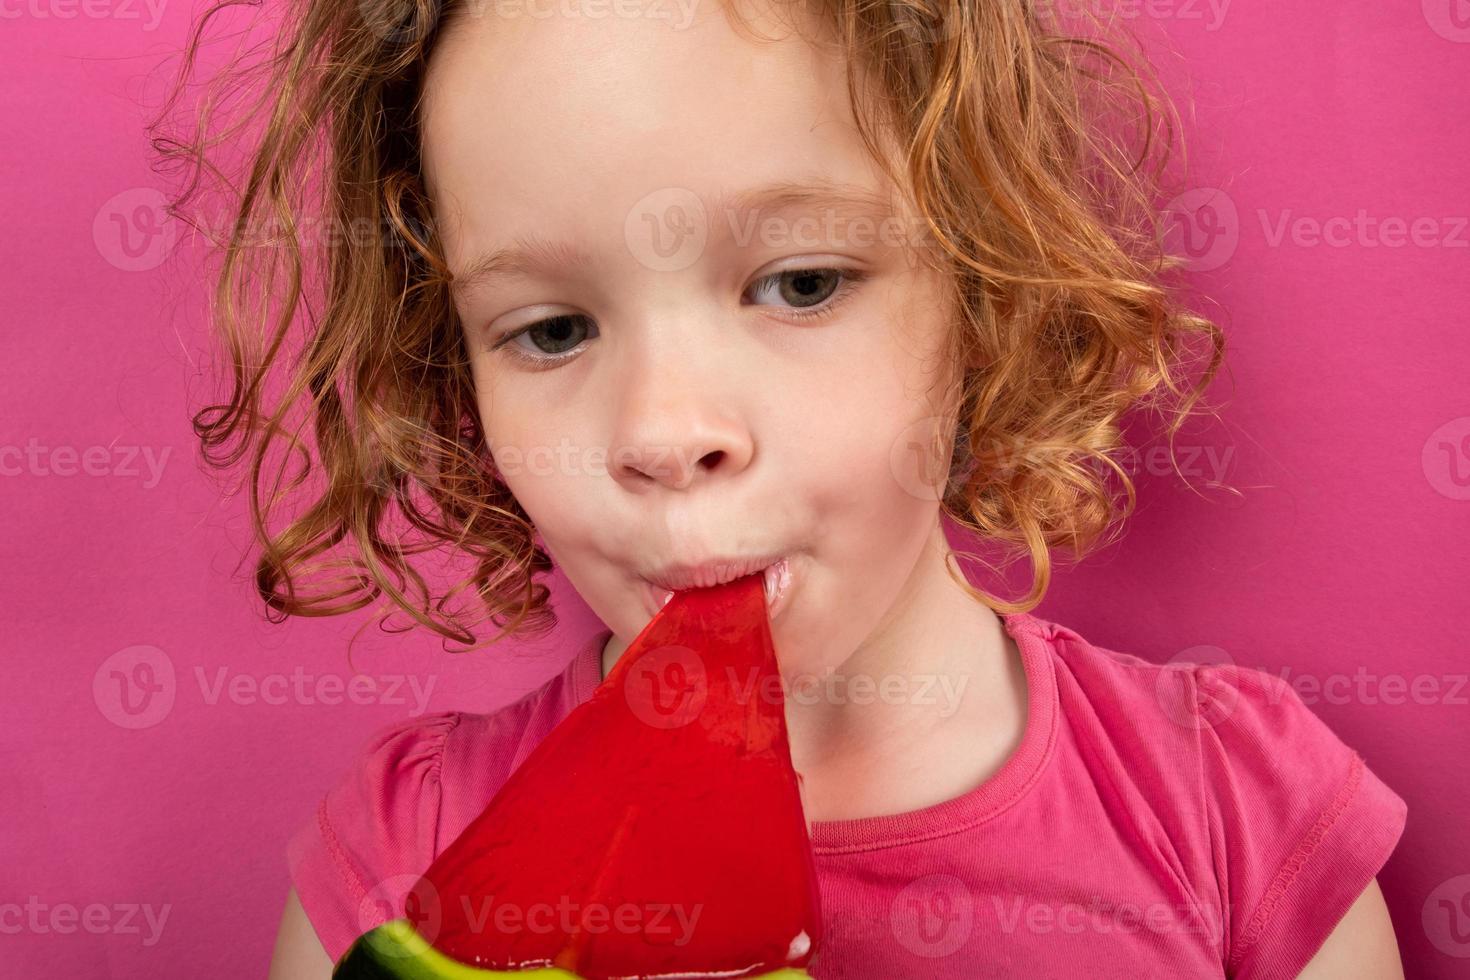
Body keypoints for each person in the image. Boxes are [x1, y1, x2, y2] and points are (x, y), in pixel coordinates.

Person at [150, 0, 1408, 976]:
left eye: (800, 282)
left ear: (984, 292)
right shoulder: (400, 861)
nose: (663, 430)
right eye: (549, 329)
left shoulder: (1242, 822)